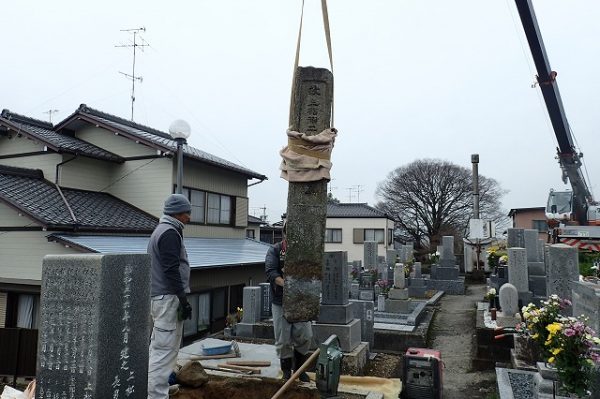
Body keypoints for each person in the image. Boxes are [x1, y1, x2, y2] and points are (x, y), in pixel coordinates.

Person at [147, 193, 193, 399]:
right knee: (164, 351)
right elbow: (171, 269)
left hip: (161, 297)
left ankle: (159, 389)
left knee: (162, 348)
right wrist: (183, 299)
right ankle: (156, 395)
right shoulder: (169, 233)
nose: (189, 217)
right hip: (167, 298)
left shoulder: (163, 230)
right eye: (187, 212)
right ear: (177, 213)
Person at [265, 222, 313, 382]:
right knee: (283, 338)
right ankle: (286, 370)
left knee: (305, 335)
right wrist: (287, 284)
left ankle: (300, 370)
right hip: (281, 301)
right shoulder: (275, 250)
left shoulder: (305, 252)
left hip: (302, 301)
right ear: (285, 233)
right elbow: (271, 272)